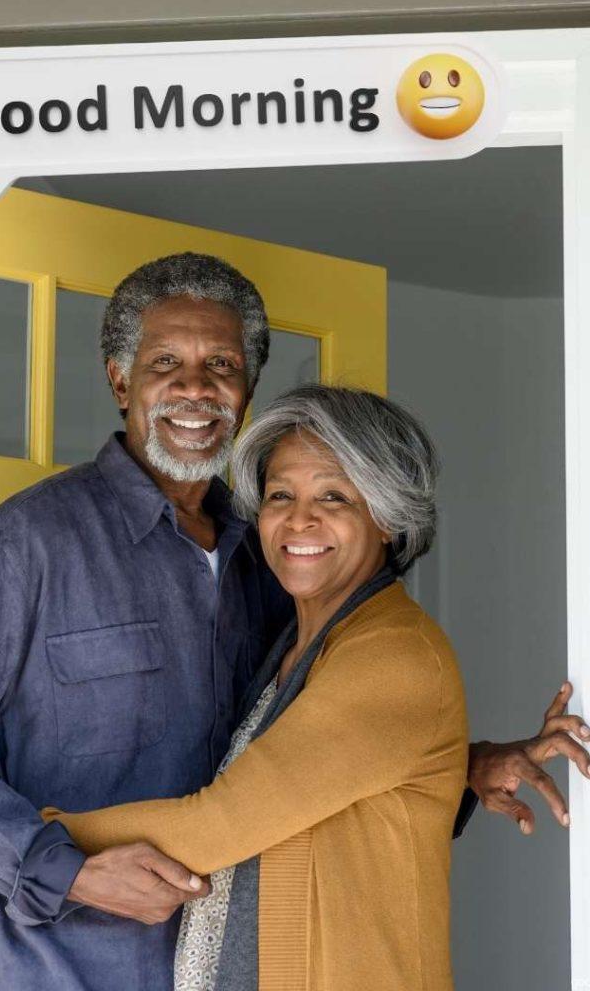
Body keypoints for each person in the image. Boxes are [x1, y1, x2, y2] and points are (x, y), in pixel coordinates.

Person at [0, 252, 590, 991]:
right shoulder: (29, 543)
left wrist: (449, 766)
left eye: (221, 363)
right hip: (52, 965)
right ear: (121, 380)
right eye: (165, 361)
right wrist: (54, 869)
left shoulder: (274, 561)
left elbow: (300, 762)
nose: (195, 387)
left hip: (216, 966)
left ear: (247, 390)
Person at [44, 384, 467, 990]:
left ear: (388, 518)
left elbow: (215, 826)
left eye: (334, 496)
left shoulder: (394, 654)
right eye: (280, 495)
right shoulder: (298, 644)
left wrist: (32, 844)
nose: (300, 519)